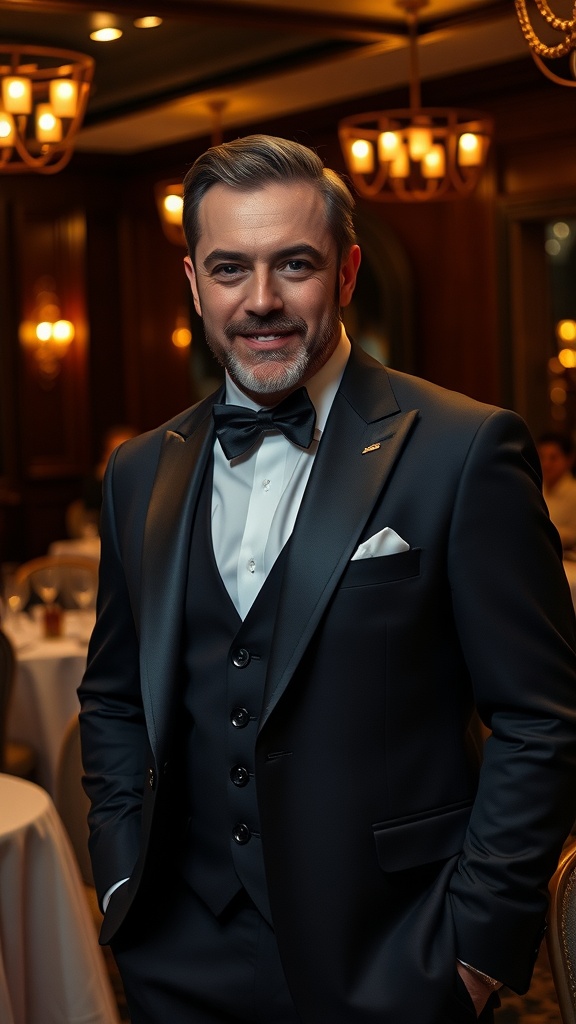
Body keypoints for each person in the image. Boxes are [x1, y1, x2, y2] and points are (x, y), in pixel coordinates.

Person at [78, 135, 576, 1024]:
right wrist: (120, 873)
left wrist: (475, 944)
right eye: (229, 268)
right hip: (178, 962)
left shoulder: (464, 450)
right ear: (193, 283)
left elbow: (541, 718)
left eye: (293, 265)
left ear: (345, 274)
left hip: (396, 956)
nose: (260, 301)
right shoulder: (138, 471)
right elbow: (114, 696)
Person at [537, 430, 576, 553]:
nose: (546, 464)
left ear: (569, 459)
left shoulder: (573, 493)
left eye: (553, 458)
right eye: (542, 457)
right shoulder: (535, 489)